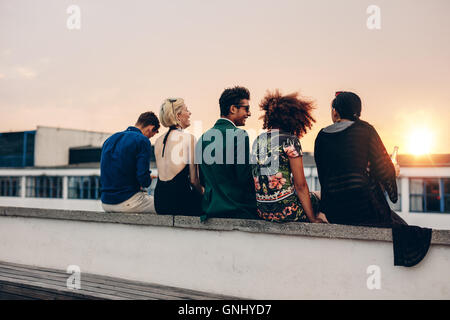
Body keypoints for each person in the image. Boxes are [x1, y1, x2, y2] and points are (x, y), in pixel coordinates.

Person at [314, 91, 405, 226]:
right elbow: (383, 169)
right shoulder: (366, 130)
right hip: (364, 208)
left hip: (334, 211)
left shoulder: (321, 136)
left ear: (335, 112)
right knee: (401, 226)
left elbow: (324, 176)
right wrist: (393, 172)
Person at [251, 90, 328, 223]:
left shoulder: (258, 140)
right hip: (287, 212)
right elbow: (301, 185)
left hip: (262, 212)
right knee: (320, 196)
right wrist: (313, 219)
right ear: (295, 118)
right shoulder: (290, 140)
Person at [197, 86, 257, 220]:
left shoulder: (202, 138)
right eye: (246, 108)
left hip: (210, 209)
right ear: (233, 109)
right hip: (237, 209)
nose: (249, 113)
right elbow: (244, 178)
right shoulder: (239, 135)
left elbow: (202, 179)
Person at [100, 112, 160, 213]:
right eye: (151, 135)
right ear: (150, 128)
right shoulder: (143, 141)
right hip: (127, 201)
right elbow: (144, 181)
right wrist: (147, 179)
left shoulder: (110, 139)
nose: (149, 137)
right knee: (166, 206)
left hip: (106, 202)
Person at [153, 98, 203, 215]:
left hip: (159, 201)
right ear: (178, 115)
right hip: (179, 201)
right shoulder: (189, 139)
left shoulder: (158, 141)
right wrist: (203, 192)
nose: (190, 113)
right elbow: (193, 180)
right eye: (187, 110)